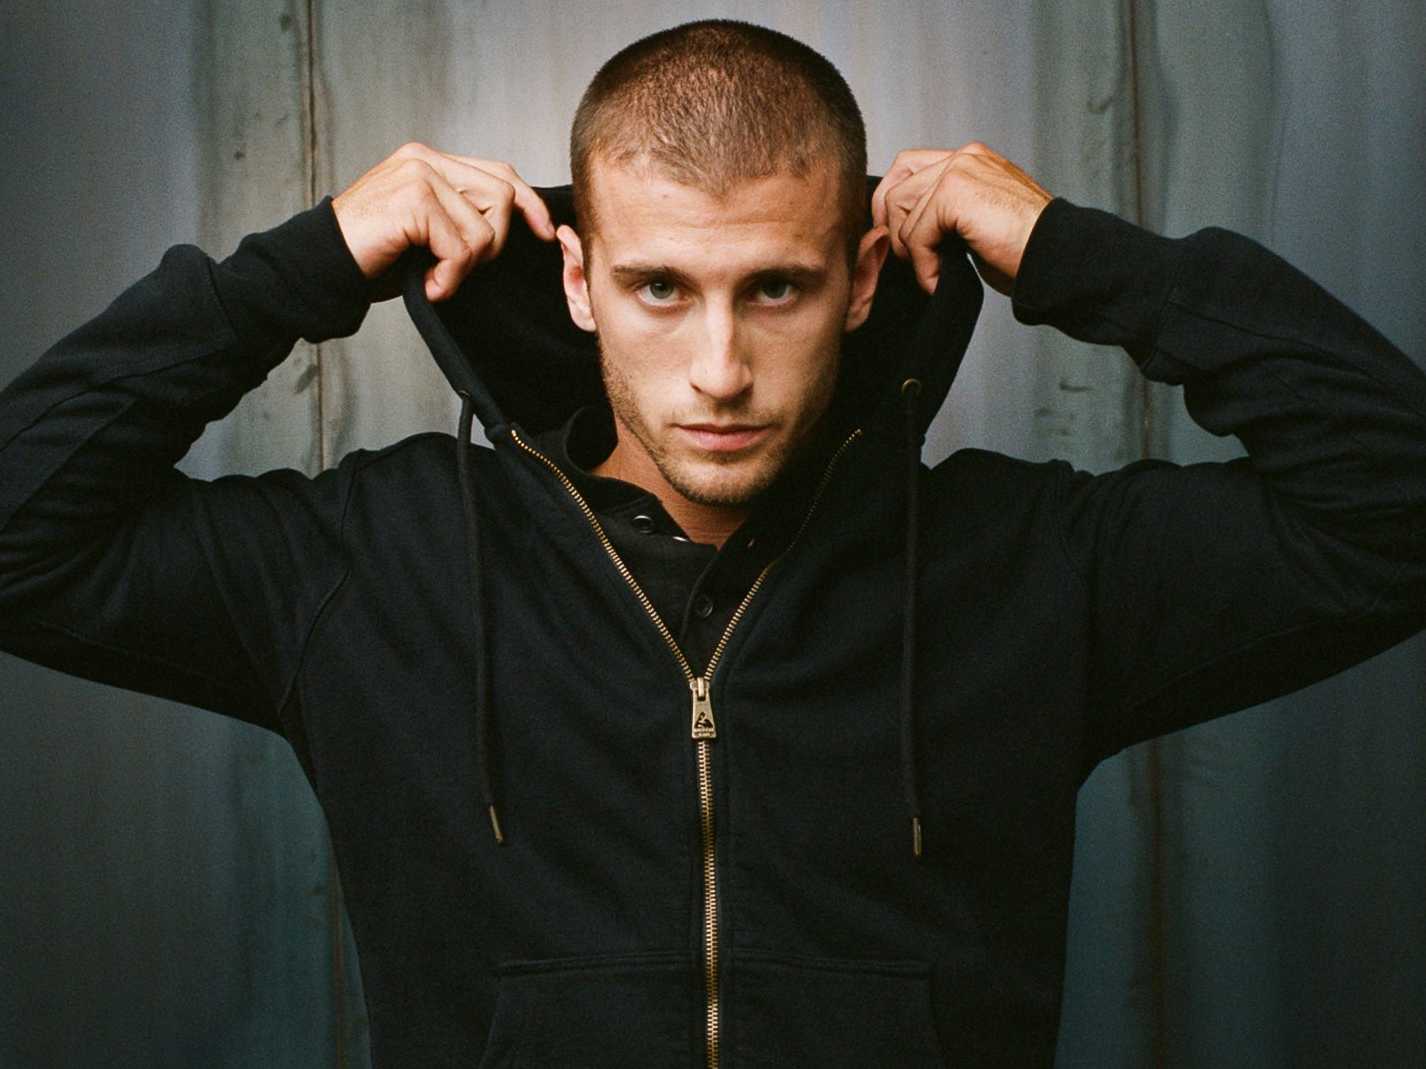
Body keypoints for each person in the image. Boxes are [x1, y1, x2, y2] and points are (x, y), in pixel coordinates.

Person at [1, 17, 1423, 1068]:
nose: (720, 369)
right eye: (662, 287)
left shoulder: (1026, 569)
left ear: (862, 278)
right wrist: (305, 261)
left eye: (776, 288)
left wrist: (1057, 245)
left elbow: (1394, 506)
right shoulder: (374, 567)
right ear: (578, 279)